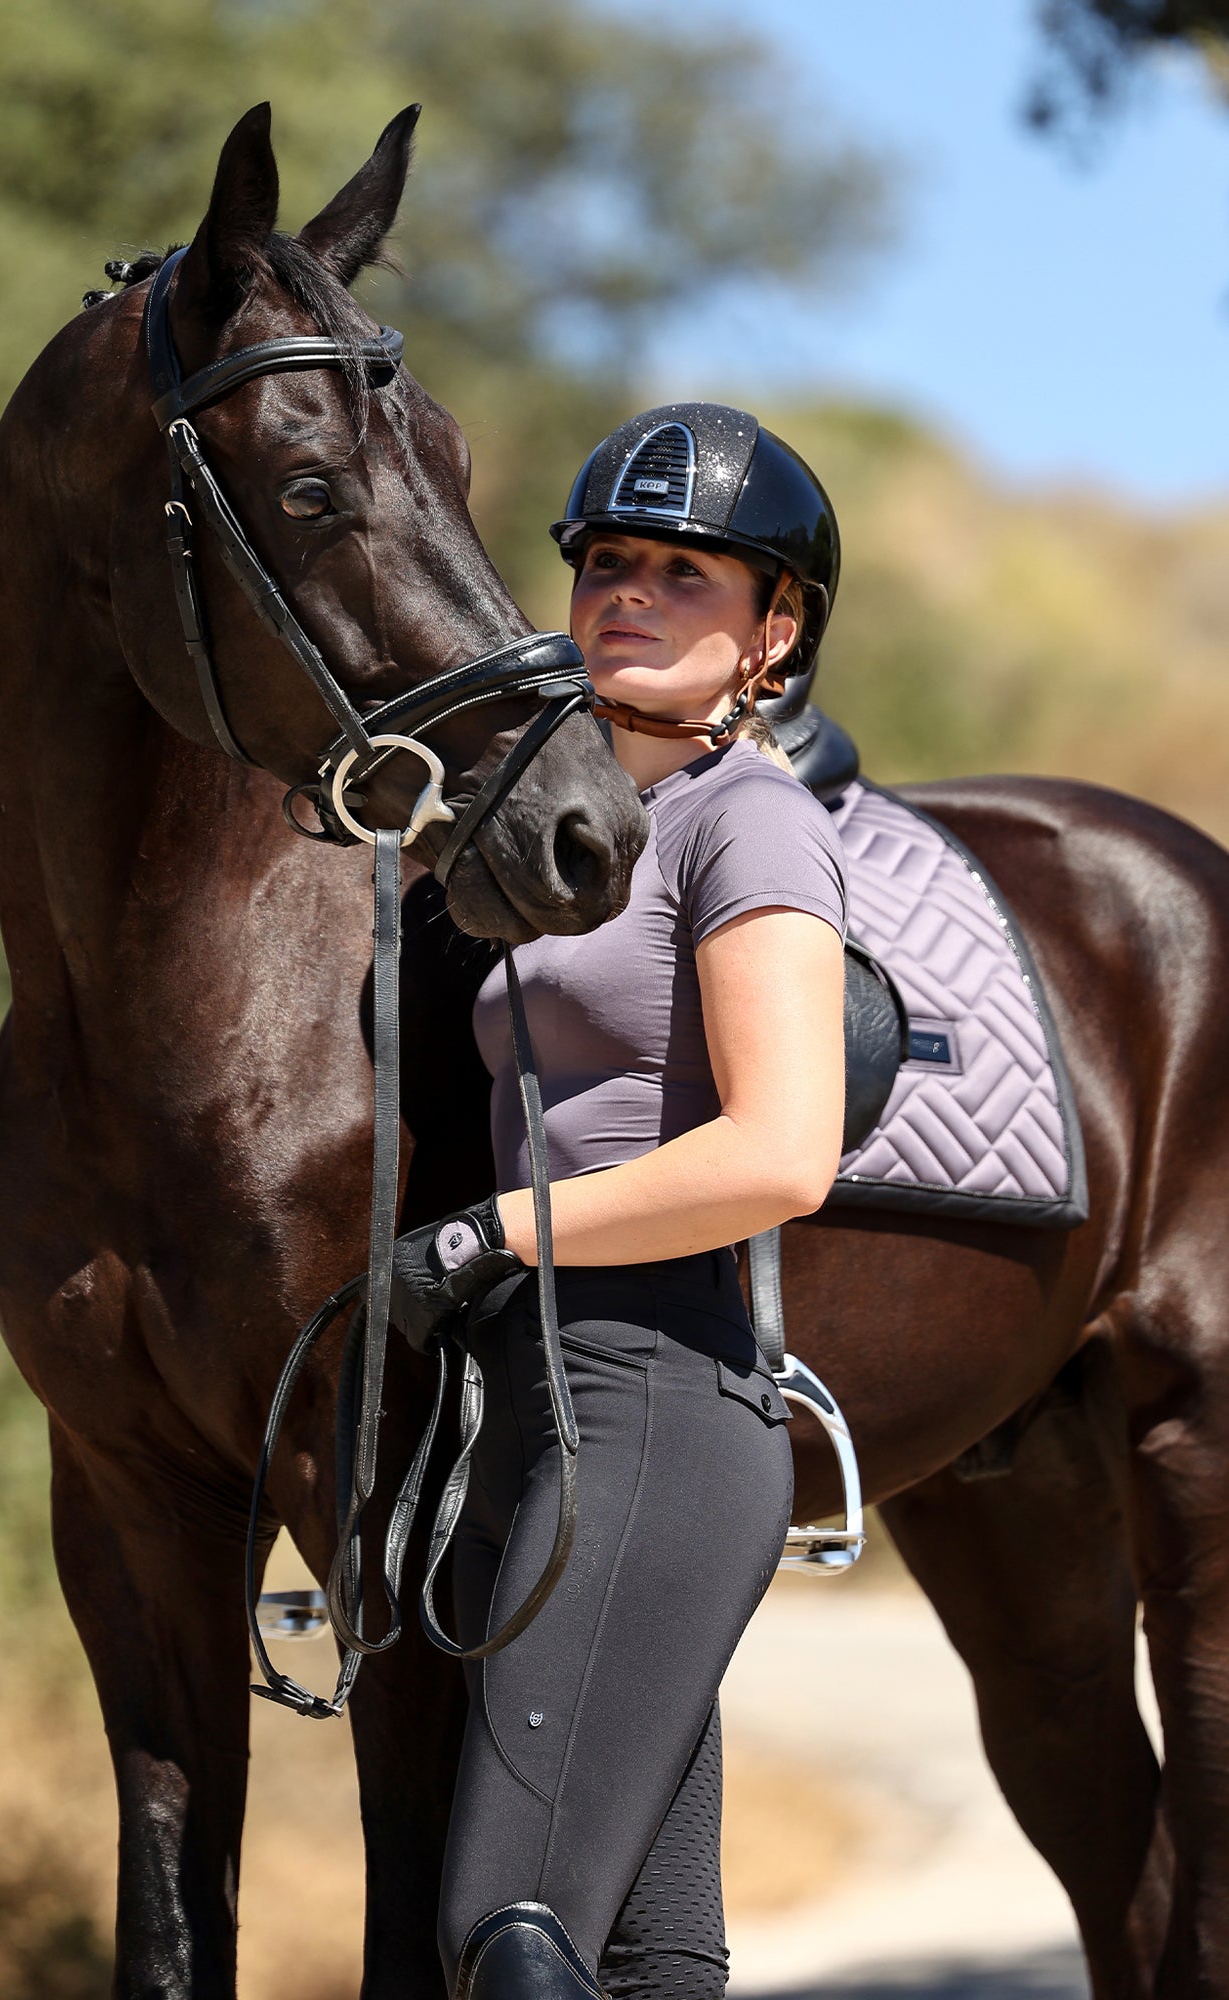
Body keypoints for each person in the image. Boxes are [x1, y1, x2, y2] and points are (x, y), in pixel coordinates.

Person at [390, 404, 849, 2000]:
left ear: (773, 634)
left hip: (651, 1393)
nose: (630, 593)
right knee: (651, 1971)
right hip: (525, 1416)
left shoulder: (750, 822)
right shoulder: (533, 833)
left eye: (686, 573)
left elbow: (783, 1152)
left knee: (508, 1934)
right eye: (607, 563)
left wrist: (491, 1233)